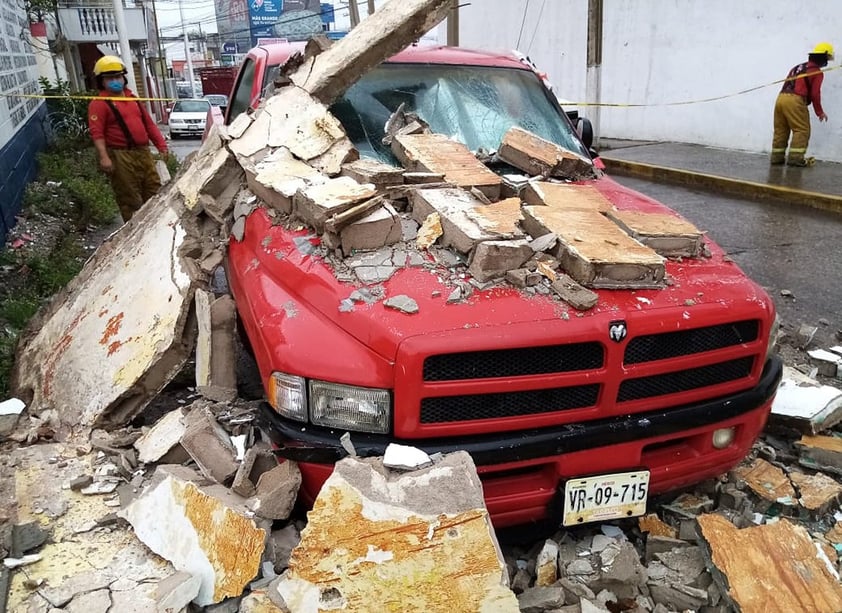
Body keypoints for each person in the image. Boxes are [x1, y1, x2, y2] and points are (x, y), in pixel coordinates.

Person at [87, 55, 169, 222]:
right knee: (130, 198)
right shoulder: (99, 104)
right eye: (110, 78)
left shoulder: (133, 99)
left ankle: (156, 227)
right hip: (120, 155)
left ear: (123, 78)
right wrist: (104, 157)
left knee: (154, 190)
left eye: (118, 77)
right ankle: (133, 233)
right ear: (101, 81)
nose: (115, 81)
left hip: (143, 153)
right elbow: (97, 133)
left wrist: (161, 146)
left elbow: (149, 125)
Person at [770, 42, 834, 167]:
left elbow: (786, 84)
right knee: (801, 130)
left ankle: (776, 158)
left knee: (781, 130)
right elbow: (815, 94)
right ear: (822, 57)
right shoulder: (816, 72)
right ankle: (795, 159)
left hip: (781, 98)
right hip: (796, 100)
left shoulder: (797, 67)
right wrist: (819, 112)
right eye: (827, 58)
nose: (826, 62)